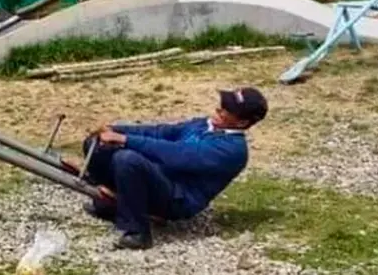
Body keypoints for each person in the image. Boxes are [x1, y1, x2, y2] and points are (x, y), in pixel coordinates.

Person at [80, 87, 268, 250]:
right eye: (222, 105)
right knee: (97, 144)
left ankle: (138, 233)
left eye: (227, 110)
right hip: (162, 178)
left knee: (128, 159)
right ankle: (112, 203)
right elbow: (162, 132)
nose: (219, 109)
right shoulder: (204, 125)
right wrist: (117, 130)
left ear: (242, 123)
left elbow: (177, 155)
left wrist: (126, 140)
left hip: (178, 198)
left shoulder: (231, 150)